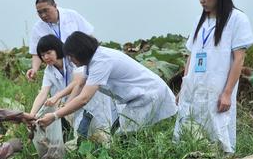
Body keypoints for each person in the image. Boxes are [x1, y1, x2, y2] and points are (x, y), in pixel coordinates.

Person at [174, 0, 253, 153]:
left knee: (217, 135)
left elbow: (239, 58)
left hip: (218, 87)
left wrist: (227, 93)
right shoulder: (199, 21)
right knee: (189, 132)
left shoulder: (237, 19)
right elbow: (191, 57)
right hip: (194, 85)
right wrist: (183, 88)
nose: (201, 0)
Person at [37, 31, 177, 133]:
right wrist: (64, 107)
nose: (71, 61)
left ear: (80, 52)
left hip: (148, 94)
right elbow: (80, 84)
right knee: (127, 135)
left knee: (126, 138)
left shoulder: (101, 62)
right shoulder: (91, 62)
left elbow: (84, 98)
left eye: (71, 57)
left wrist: (55, 115)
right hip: (137, 98)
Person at [29, 34, 114, 137]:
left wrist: (57, 97)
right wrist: (31, 115)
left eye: (48, 53)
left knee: (100, 131)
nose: (46, 57)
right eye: (42, 55)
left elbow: (77, 82)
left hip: (91, 100)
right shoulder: (49, 70)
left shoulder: (72, 60)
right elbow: (43, 92)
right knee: (82, 135)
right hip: (73, 104)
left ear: (57, 49)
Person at [26, 0, 94, 81]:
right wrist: (34, 69)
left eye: (46, 10)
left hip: (79, 62)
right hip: (57, 67)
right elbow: (36, 53)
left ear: (55, 6)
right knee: (61, 91)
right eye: (39, 12)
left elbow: (89, 37)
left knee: (80, 87)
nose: (43, 15)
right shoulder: (37, 28)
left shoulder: (72, 15)